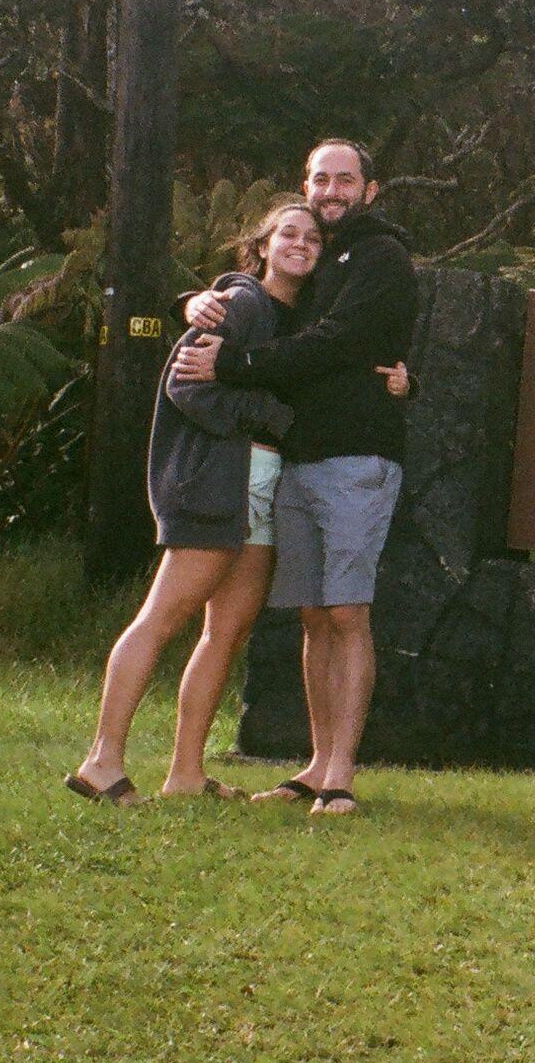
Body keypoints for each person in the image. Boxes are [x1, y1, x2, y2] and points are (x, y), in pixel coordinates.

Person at [64, 195, 401, 805]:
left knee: (226, 632)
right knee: (163, 617)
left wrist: (406, 377)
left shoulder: (295, 320)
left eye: (313, 240)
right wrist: (269, 412)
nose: (301, 245)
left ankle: (186, 775)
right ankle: (102, 762)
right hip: (220, 483)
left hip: (263, 488)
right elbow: (184, 387)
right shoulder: (241, 302)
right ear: (263, 245)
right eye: (287, 234)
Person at [171, 135, 415, 817]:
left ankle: (340, 772)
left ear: (370, 189)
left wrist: (234, 367)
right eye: (319, 179)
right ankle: (313, 763)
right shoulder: (318, 264)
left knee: (346, 610)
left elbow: (335, 344)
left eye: (345, 179)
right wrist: (192, 302)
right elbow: (258, 299)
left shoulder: (381, 258)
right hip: (300, 459)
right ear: (305, 187)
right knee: (313, 614)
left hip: (358, 459)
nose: (331, 190)